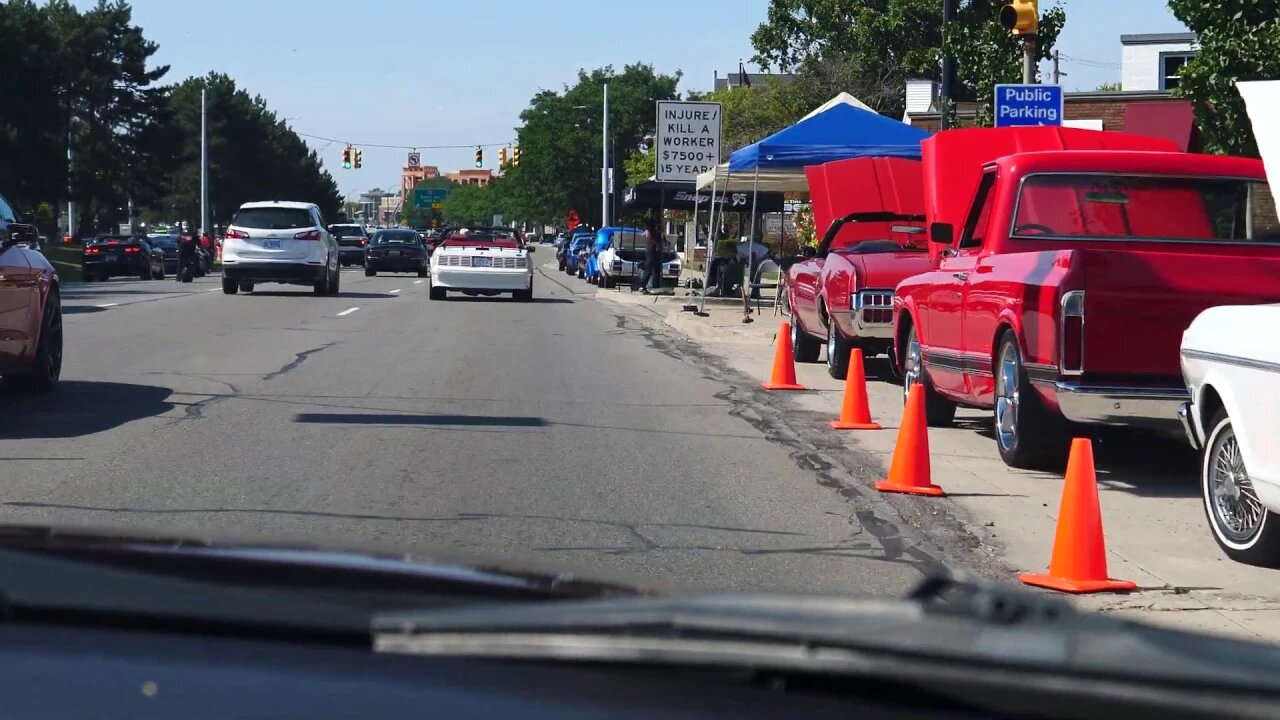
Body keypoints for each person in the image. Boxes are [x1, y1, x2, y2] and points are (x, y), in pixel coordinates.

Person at [636, 217, 664, 294]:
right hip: (651, 248)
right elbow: (648, 235)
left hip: (658, 249)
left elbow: (662, 232)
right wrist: (656, 244)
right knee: (649, 266)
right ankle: (642, 285)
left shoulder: (659, 223)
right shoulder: (650, 223)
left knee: (657, 268)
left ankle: (656, 286)